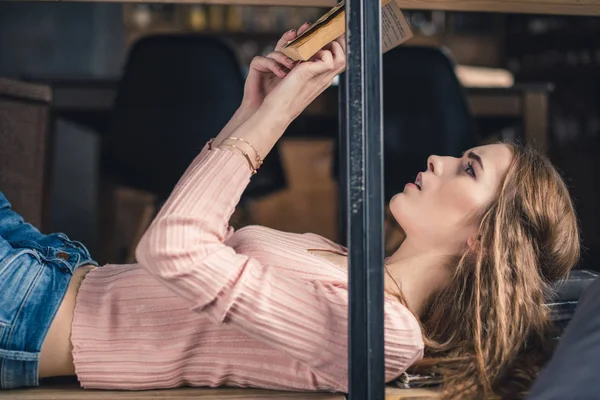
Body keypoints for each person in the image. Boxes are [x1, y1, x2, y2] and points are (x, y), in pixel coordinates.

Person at [0, 25, 580, 400]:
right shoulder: (350, 269)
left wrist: (284, 111)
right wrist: (253, 111)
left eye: (469, 168)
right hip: (48, 263)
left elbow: (171, 249)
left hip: (28, 313)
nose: (441, 157)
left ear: (485, 239)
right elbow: (195, 229)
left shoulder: (384, 336)